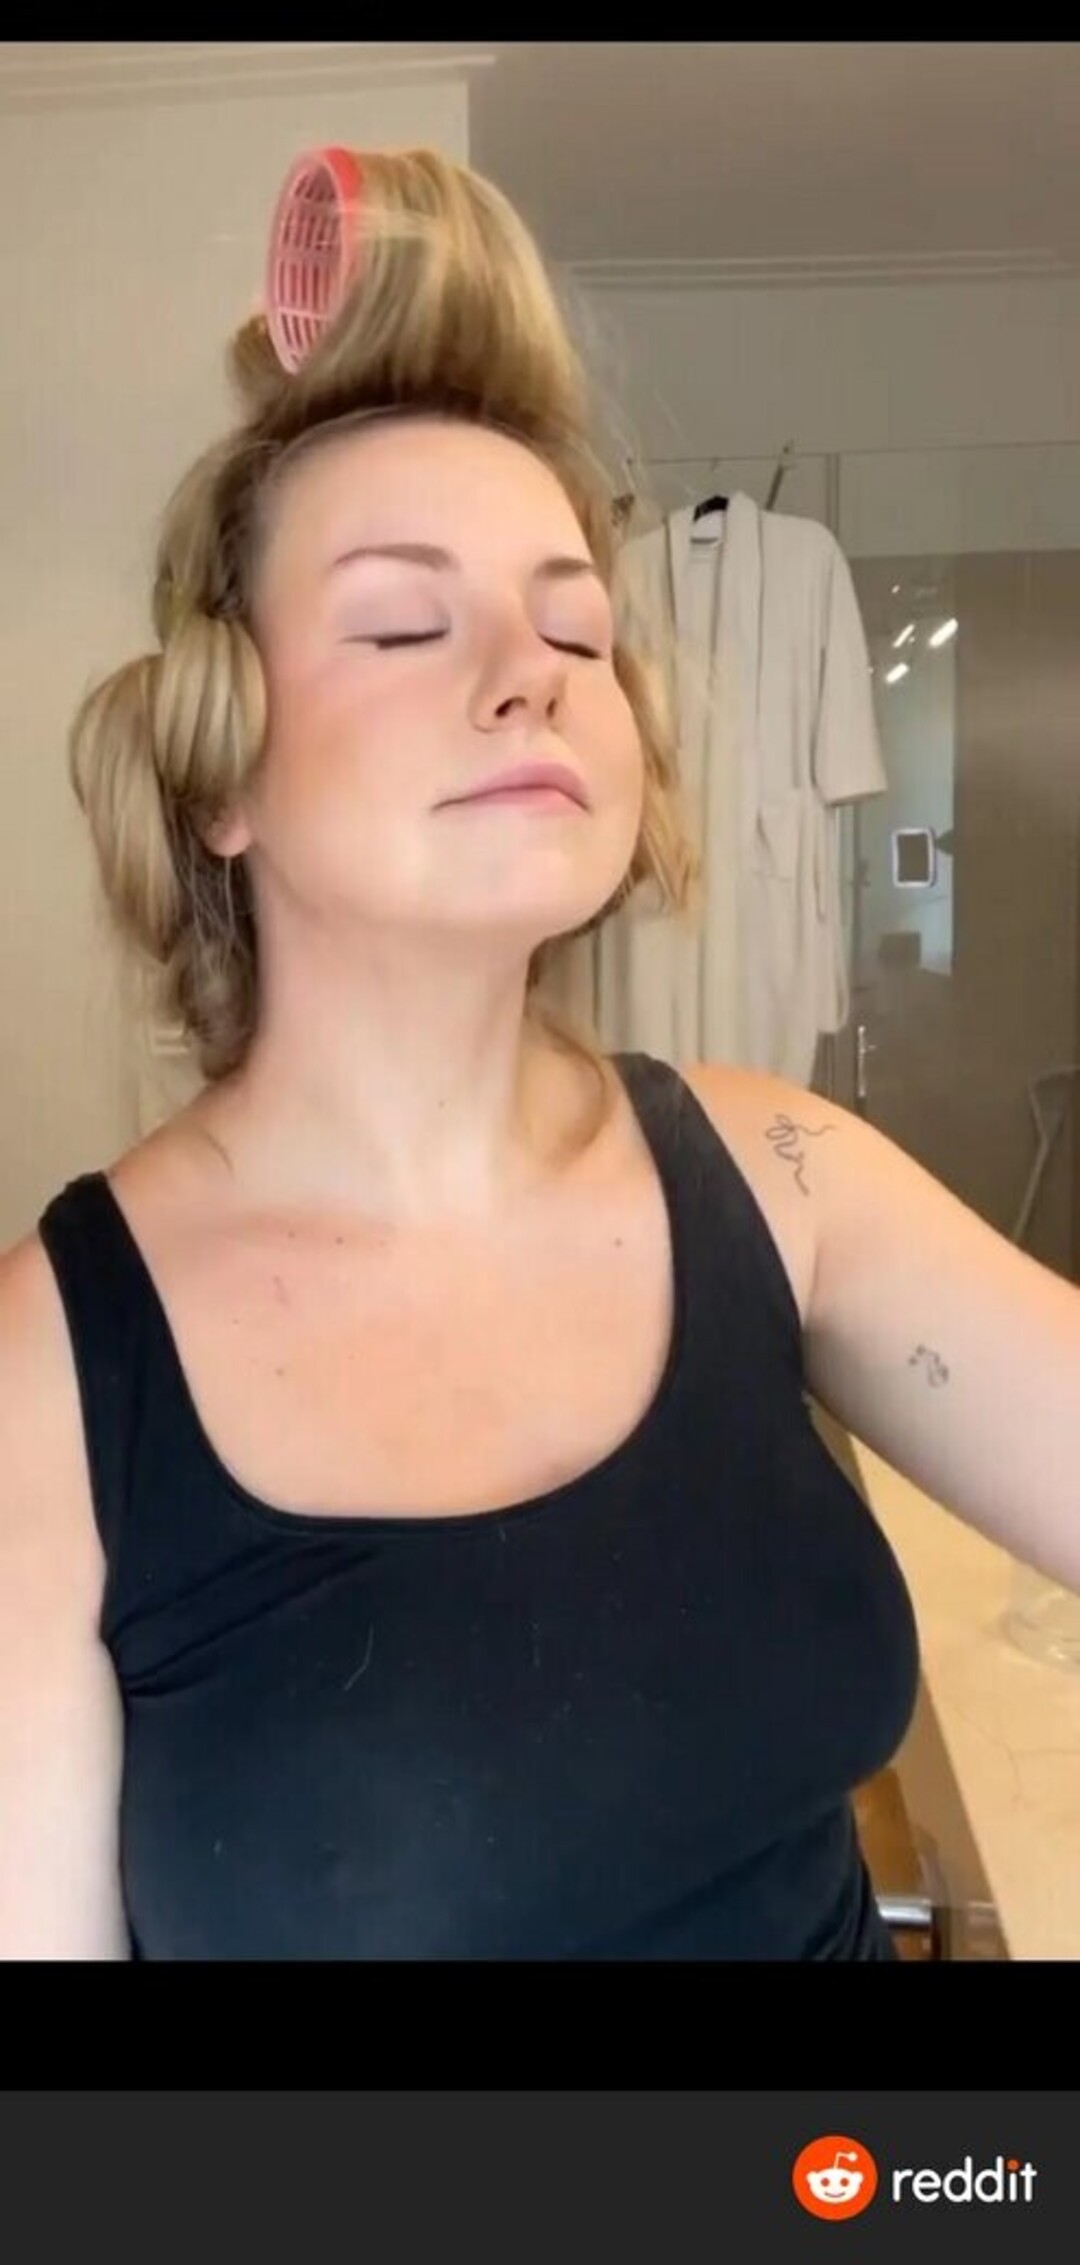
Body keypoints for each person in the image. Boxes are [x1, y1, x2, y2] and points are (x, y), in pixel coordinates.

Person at [2, 149, 1077, 1963]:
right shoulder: (51, 1374)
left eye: (577, 621)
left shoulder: (781, 1174)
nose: (534, 672)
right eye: (404, 624)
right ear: (220, 772)